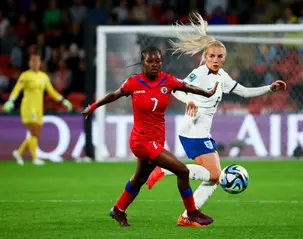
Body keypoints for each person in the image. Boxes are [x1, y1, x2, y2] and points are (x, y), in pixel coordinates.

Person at [146, 13, 287, 227]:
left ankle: (187, 216)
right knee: (214, 174)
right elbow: (175, 88)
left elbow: (244, 92)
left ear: (224, 58)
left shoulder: (222, 77)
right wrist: (188, 101)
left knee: (213, 180)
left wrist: (270, 88)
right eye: (211, 56)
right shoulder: (198, 74)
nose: (215, 59)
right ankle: (165, 169)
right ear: (205, 56)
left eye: (219, 56)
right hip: (193, 129)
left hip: (202, 132)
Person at [81, 46, 219, 227]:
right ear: (142, 63)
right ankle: (192, 213)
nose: (154, 65)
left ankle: (118, 210)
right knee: (182, 171)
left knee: (139, 178)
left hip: (156, 139)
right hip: (141, 141)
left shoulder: (167, 80)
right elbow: (114, 95)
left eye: (158, 61)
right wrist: (93, 107)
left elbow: (187, 87)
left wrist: (206, 93)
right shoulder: (133, 82)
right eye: (150, 62)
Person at [2, 54, 72, 166]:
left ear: (40, 63)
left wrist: (63, 100)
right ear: (29, 63)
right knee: (35, 131)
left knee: (36, 133)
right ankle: (35, 158)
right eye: (33, 61)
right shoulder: (25, 76)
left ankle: (19, 153)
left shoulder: (43, 76)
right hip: (28, 107)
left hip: (39, 108)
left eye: (37, 61)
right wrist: (10, 100)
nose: (35, 63)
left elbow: (51, 91)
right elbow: (17, 89)